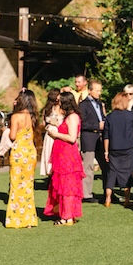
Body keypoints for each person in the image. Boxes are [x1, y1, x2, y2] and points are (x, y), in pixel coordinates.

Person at [44, 92, 83, 225]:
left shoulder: (72, 117)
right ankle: (65, 214)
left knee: (67, 186)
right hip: (62, 154)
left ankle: (67, 216)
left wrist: (56, 134)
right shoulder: (69, 116)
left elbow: (72, 138)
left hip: (68, 155)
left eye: (60, 101)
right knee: (63, 185)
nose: (58, 103)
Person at [5, 90, 40, 229]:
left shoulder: (16, 116)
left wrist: (6, 130)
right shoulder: (32, 116)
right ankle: (29, 219)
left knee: (15, 185)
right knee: (28, 186)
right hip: (30, 152)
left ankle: (16, 219)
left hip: (19, 152)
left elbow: (13, 136)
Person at [103, 90, 133, 207]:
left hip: (114, 148)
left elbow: (106, 136)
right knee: (127, 172)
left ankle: (108, 199)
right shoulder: (131, 116)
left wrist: (106, 151)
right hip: (128, 148)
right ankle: (127, 200)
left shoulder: (109, 117)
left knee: (112, 173)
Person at [78, 80, 107, 200]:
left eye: (100, 90)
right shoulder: (83, 105)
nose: (99, 93)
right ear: (90, 91)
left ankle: (108, 192)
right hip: (89, 138)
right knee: (88, 167)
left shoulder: (99, 104)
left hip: (100, 139)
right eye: (97, 90)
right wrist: (97, 125)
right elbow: (82, 123)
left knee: (106, 166)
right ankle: (86, 194)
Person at [38, 89, 62, 178]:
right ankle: (50, 174)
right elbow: (44, 123)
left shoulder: (62, 108)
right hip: (51, 134)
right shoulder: (48, 109)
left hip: (61, 133)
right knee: (49, 153)